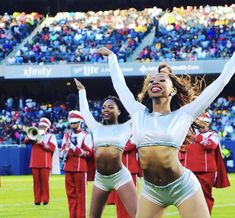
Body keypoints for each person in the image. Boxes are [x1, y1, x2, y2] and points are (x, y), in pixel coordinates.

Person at [97, 47, 235, 218]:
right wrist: (112, 57)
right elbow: (119, 84)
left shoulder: (184, 114)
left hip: (183, 188)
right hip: (151, 191)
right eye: (152, 81)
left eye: (161, 80)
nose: (155, 83)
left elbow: (221, 82)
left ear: (173, 90)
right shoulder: (138, 113)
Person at [74, 79, 138, 218]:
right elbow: (85, 112)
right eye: (103, 107)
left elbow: (139, 113)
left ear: (119, 111)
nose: (106, 110)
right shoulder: (96, 127)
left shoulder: (126, 127)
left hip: (120, 176)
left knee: (136, 214)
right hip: (101, 178)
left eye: (110, 107)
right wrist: (82, 91)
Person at [179, 112, 230, 214]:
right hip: (188, 170)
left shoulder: (212, 134)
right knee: (187, 197)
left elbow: (211, 145)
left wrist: (195, 136)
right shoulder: (187, 135)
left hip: (206, 171)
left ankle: (206, 215)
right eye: (199, 122)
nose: (202, 125)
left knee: (205, 196)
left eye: (204, 122)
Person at [60, 110, 93, 218]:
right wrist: (63, 153)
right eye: (71, 123)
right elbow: (63, 149)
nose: (72, 125)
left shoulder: (86, 135)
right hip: (68, 167)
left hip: (80, 168)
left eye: (75, 122)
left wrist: (75, 149)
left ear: (81, 122)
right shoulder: (67, 135)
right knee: (70, 195)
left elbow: (89, 153)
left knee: (81, 195)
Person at [24, 117, 60, 206]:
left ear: (47, 127)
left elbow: (51, 148)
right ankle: (37, 201)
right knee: (36, 183)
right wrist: (31, 136)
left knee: (45, 183)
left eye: (43, 126)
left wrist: (41, 142)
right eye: (40, 126)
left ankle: (45, 201)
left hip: (45, 163)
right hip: (35, 162)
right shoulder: (35, 133)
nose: (41, 127)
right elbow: (25, 141)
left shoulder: (51, 136)